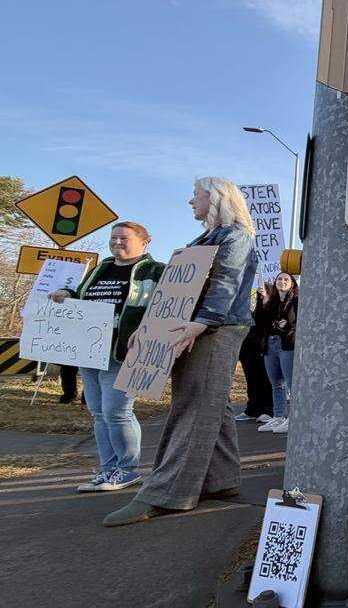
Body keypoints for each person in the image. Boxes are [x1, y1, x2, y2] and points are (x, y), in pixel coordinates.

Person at [104, 177, 259, 527]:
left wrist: (200, 324)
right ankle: (220, 481)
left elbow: (226, 284)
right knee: (212, 404)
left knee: (193, 404)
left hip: (216, 328)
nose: (191, 201)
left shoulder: (236, 236)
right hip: (197, 325)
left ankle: (167, 493)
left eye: (197, 195)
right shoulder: (207, 237)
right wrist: (149, 329)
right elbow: (178, 290)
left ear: (217, 198)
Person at [50, 222, 165, 493]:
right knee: (99, 413)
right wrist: (68, 294)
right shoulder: (100, 269)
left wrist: (147, 330)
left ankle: (127, 470)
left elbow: (168, 305)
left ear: (144, 242)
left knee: (118, 412)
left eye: (124, 238)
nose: (116, 242)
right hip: (90, 351)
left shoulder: (155, 271)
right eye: (113, 238)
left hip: (123, 353)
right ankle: (108, 470)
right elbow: (84, 297)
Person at [253, 272, 298, 434]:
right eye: (279, 279)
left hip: (286, 345)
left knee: (291, 384)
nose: (282, 281)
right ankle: (279, 416)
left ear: (292, 283)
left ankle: (294, 418)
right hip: (270, 345)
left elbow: (296, 321)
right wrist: (261, 301)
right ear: (275, 282)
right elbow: (259, 321)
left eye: (286, 279)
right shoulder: (270, 301)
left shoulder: (296, 300)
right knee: (276, 384)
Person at [233, 323, 274, 423]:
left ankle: (269, 411)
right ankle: (252, 410)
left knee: (264, 377)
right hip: (246, 340)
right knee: (251, 378)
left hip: (260, 339)